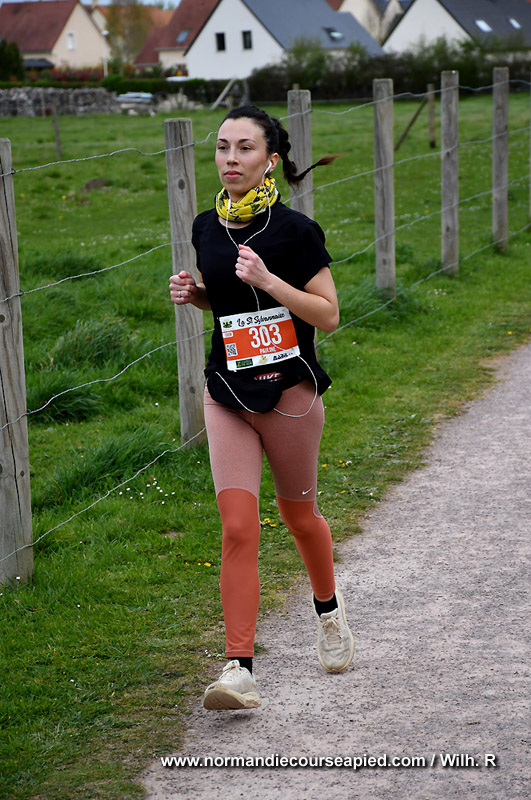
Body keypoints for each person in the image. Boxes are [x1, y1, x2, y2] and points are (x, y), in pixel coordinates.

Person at [169, 105, 354, 711]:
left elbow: (327, 314)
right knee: (237, 527)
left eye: (244, 148)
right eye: (222, 147)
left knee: (300, 517)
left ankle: (328, 610)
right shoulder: (206, 226)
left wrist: (270, 280)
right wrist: (198, 295)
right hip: (226, 391)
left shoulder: (296, 231)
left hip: (289, 392)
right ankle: (238, 669)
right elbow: (228, 304)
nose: (230, 159)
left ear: (270, 160)